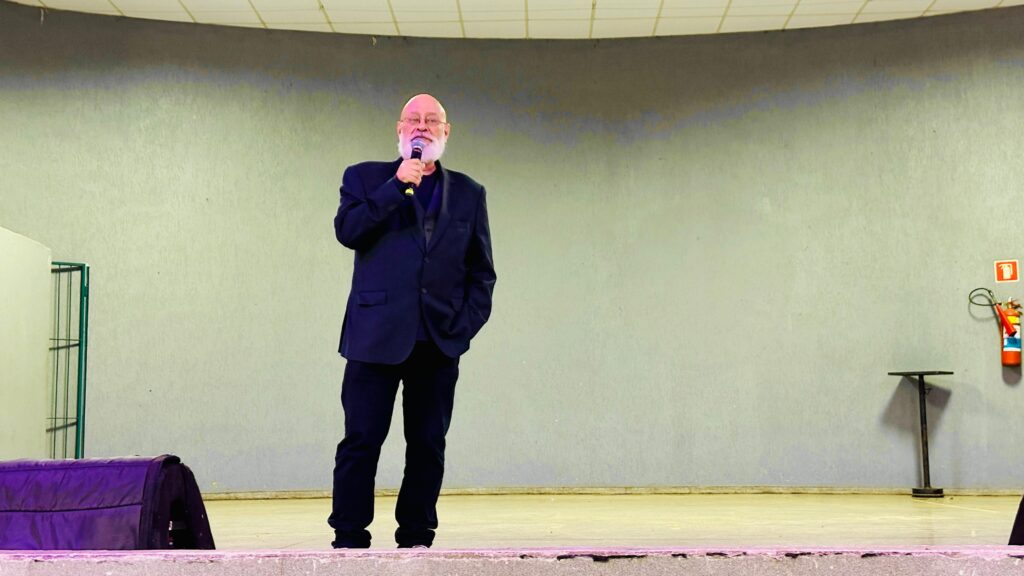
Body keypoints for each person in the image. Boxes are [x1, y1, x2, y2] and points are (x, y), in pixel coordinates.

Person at [328, 94, 496, 549]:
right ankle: (349, 533)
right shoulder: (364, 178)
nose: (421, 127)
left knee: (427, 444)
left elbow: (482, 273)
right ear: (399, 128)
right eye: (413, 120)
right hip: (374, 336)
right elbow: (349, 231)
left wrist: (461, 329)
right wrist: (395, 186)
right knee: (361, 440)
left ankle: (417, 534)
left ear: (446, 131)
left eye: (431, 121)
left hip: (438, 342)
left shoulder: (469, 193)